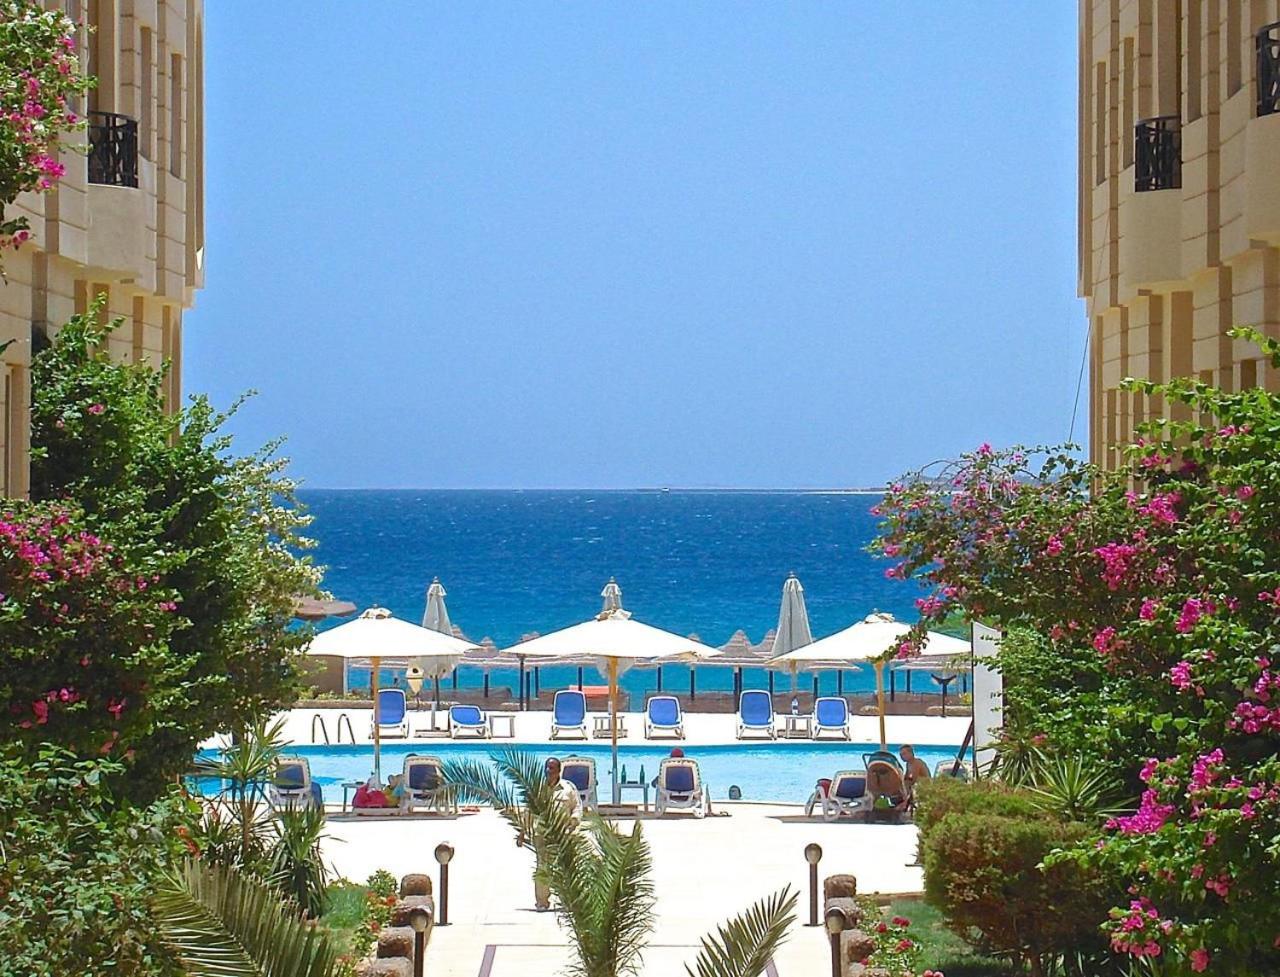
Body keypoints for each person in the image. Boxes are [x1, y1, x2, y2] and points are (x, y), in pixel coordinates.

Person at [534, 757, 581, 910]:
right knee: (543, 868)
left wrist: (573, 823)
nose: (548, 771)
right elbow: (529, 810)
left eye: (552, 768)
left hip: (563, 835)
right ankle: (542, 902)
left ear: (559, 771)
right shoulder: (538, 789)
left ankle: (568, 902)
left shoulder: (568, 788)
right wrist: (522, 832)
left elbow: (577, 808)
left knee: (566, 868)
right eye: (546, 768)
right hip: (543, 835)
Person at [899, 744, 930, 808]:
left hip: (924, 788)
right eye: (901, 755)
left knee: (906, 786)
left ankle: (905, 805)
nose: (902, 756)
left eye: (904, 754)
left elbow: (913, 779)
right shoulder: (908, 764)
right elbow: (906, 777)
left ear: (911, 753)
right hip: (916, 786)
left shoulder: (917, 763)